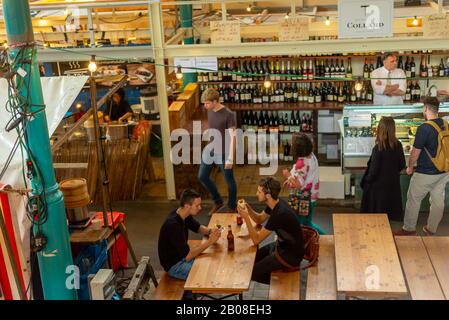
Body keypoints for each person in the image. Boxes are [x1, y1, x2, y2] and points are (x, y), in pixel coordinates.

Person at [395, 97, 449, 235]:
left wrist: (410, 166)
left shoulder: (424, 128)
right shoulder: (445, 123)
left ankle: (409, 229)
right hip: (443, 169)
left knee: (414, 199)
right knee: (438, 200)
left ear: (425, 108)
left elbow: (415, 152)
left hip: (426, 172)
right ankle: (431, 228)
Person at [237, 177, 304, 284]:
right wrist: (248, 208)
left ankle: (281, 282)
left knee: (252, 273)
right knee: (252, 258)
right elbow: (259, 219)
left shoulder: (279, 214)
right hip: (283, 245)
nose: (256, 194)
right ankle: (277, 276)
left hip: (291, 255)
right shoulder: (275, 202)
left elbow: (256, 240)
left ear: (268, 195)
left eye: (259, 192)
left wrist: (245, 218)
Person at [158, 189, 221, 280]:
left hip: (182, 256)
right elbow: (188, 256)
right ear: (187, 206)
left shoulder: (183, 214)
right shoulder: (173, 225)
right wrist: (210, 241)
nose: (200, 208)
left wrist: (211, 231)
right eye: (197, 205)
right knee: (208, 273)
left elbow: (198, 227)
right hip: (175, 265)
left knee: (212, 261)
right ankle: (192, 292)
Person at [198, 88, 237, 215]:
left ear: (215, 101)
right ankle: (218, 201)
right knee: (202, 176)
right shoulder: (210, 110)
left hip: (224, 152)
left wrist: (231, 157)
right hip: (211, 148)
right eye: (204, 103)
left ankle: (232, 206)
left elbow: (233, 137)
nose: (205, 105)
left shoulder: (228, 114)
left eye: (207, 103)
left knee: (229, 180)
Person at [360, 117, 406, 221]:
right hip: (393, 187)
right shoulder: (398, 145)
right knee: (390, 219)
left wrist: (366, 181)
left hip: (378, 191)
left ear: (380, 129)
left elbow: (373, 172)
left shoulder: (378, 148)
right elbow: (402, 165)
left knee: (378, 220)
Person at [282, 133, 325, 234]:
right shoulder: (311, 156)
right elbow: (304, 176)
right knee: (307, 223)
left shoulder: (301, 163)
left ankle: (323, 237)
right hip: (312, 196)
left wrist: (288, 175)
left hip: (303, 199)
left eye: (293, 145)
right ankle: (324, 237)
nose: (291, 146)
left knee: (300, 225)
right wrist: (292, 178)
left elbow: (298, 184)